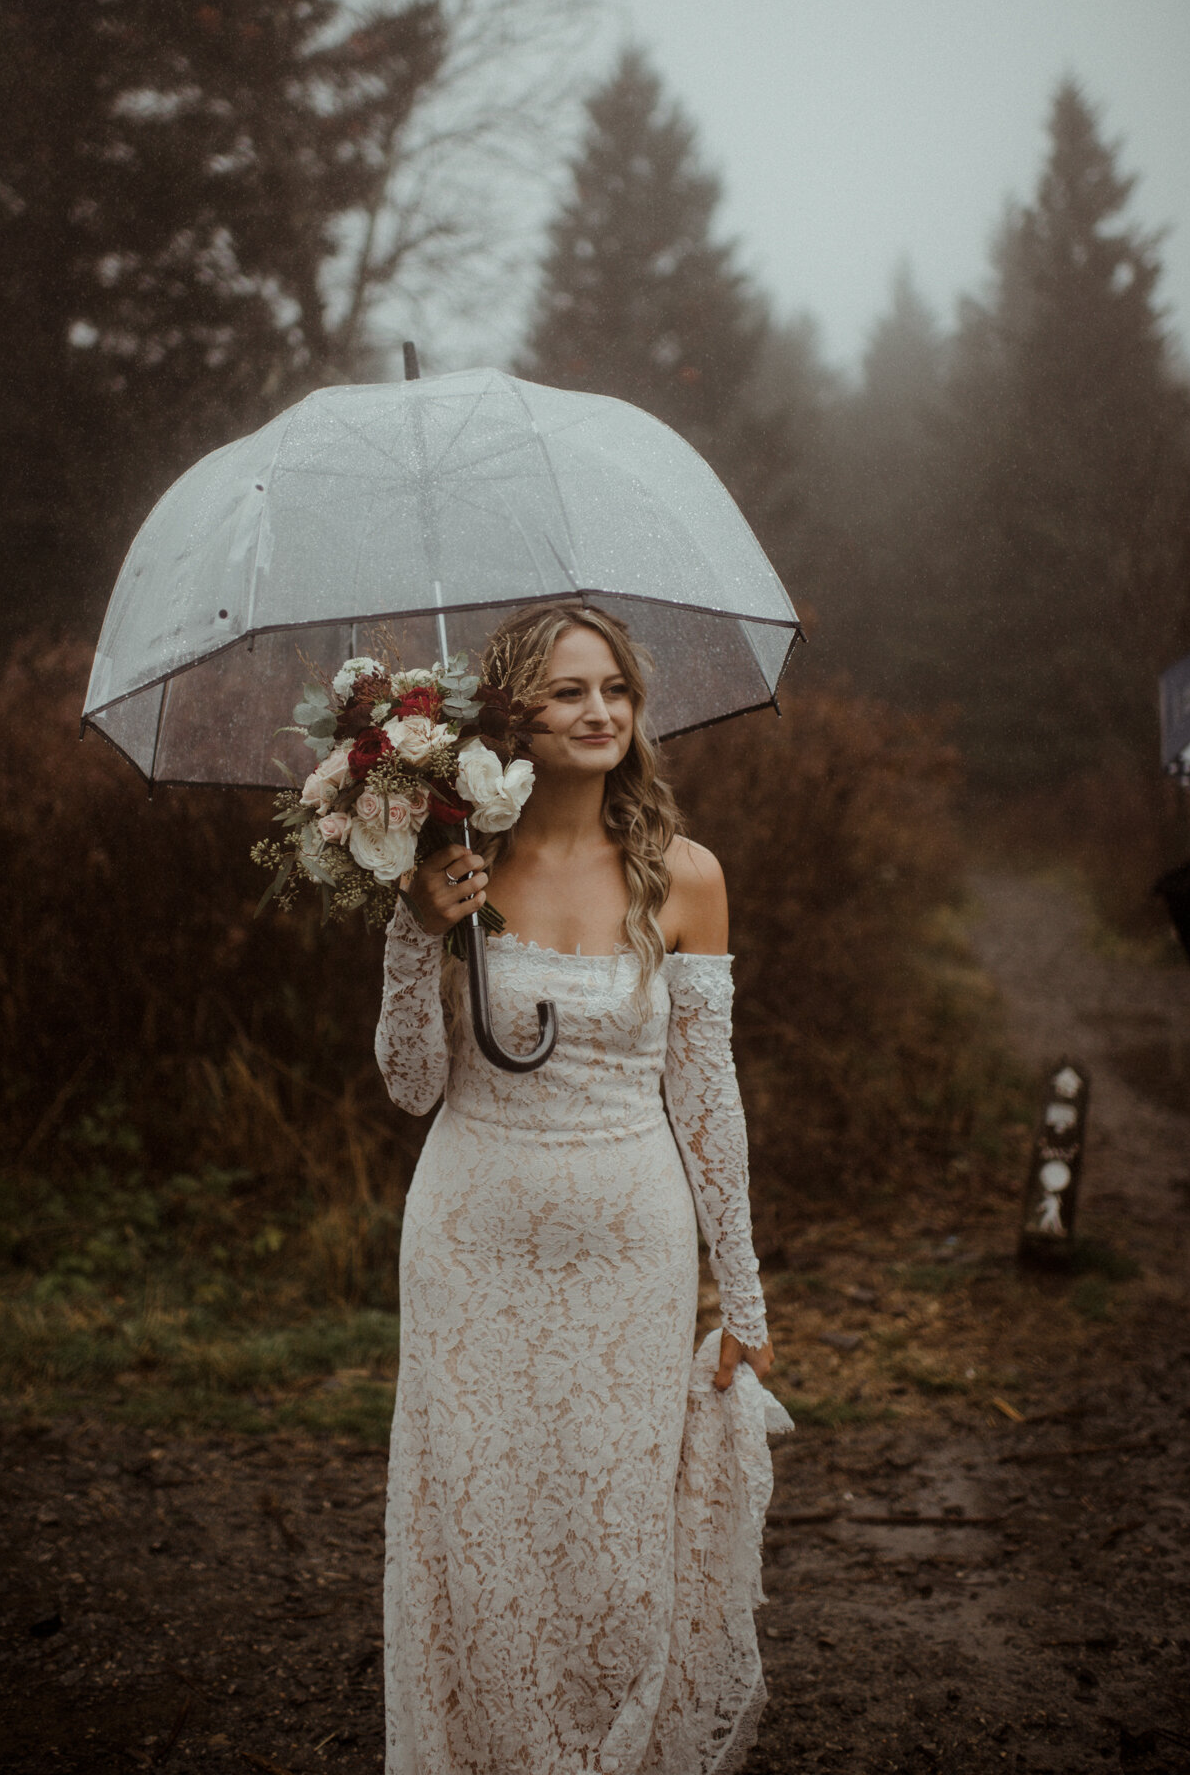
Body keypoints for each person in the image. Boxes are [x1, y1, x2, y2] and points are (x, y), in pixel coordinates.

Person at [375, 601, 785, 1775]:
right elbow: (410, 1085)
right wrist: (414, 934)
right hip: (470, 1235)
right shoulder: (452, 866)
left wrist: (741, 1291)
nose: (600, 709)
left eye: (615, 688)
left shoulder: (687, 877)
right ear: (515, 713)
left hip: (629, 1249)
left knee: (610, 1538)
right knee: (481, 1521)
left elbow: (709, 1099)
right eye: (567, 692)